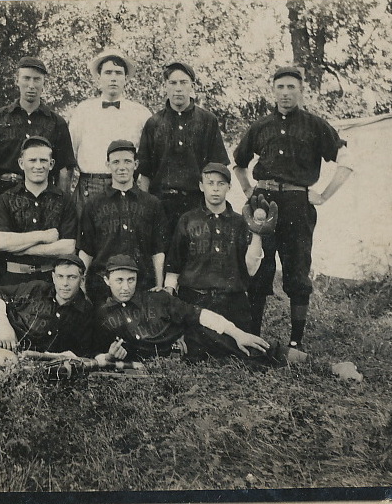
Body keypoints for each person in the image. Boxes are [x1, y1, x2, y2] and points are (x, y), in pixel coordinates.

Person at [233, 65, 354, 352]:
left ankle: (296, 342)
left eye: (291, 87)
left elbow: (346, 161)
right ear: (272, 91)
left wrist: (323, 195)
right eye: (280, 88)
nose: (285, 93)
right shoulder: (261, 126)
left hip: (298, 207)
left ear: (301, 90)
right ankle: (253, 338)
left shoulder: (315, 125)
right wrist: (249, 189)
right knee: (259, 267)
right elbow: (239, 162)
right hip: (263, 204)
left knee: (297, 270)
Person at [0, 56, 77, 286]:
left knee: (44, 256)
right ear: (17, 81)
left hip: (43, 196)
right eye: (26, 79)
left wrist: (58, 201)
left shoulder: (56, 122)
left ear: (44, 83)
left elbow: (63, 168)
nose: (31, 85)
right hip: (2, 192)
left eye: (37, 80)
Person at [164, 163, 270, 355]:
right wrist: (170, 307)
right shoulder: (188, 220)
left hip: (232, 302)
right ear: (201, 186)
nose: (215, 188)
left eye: (221, 184)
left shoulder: (240, 222)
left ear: (229, 187)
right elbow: (173, 267)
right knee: (208, 345)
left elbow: (252, 269)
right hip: (197, 300)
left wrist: (257, 233)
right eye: (210, 183)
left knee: (245, 345)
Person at [95, 255, 275, 364]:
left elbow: (199, 315)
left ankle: (292, 356)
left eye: (131, 280)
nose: (125, 287)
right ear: (106, 280)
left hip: (193, 344)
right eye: (119, 280)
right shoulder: (102, 314)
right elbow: (94, 354)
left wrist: (237, 334)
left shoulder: (156, 298)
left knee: (248, 347)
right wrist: (109, 356)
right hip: (162, 360)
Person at [136, 61, 230, 239]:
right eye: (172, 83)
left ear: (192, 86)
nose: (178, 88)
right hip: (161, 203)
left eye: (183, 82)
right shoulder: (154, 123)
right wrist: (146, 207)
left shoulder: (208, 121)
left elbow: (217, 168)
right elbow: (145, 172)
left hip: (196, 203)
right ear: (165, 86)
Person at [77, 140, 167, 306]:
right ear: (108, 165)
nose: (122, 167)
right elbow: (86, 250)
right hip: (102, 289)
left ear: (136, 164)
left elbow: (158, 251)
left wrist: (159, 285)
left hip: (141, 286)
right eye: (116, 162)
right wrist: (81, 287)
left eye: (127, 161)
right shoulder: (94, 204)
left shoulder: (152, 204)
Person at [68, 49, 152, 217]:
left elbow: (147, 162)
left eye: (118, 73)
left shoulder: (141, 114)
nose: (113, 78)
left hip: (127, 186)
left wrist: (143, 196)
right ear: (99, 78)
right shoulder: (83, 111)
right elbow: (70, 157)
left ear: (126, 78)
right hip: (90, 187)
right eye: (108, 72)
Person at [0, 136, 78, 287]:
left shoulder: (64, 200)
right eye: (32, 160)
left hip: (51, 282)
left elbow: (68, 246)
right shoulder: (6, 198)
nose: (38, 166)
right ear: (21, 163)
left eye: (43, 160)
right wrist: (43, 236)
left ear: (51, 164)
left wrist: (22, 249)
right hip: (14, 279)